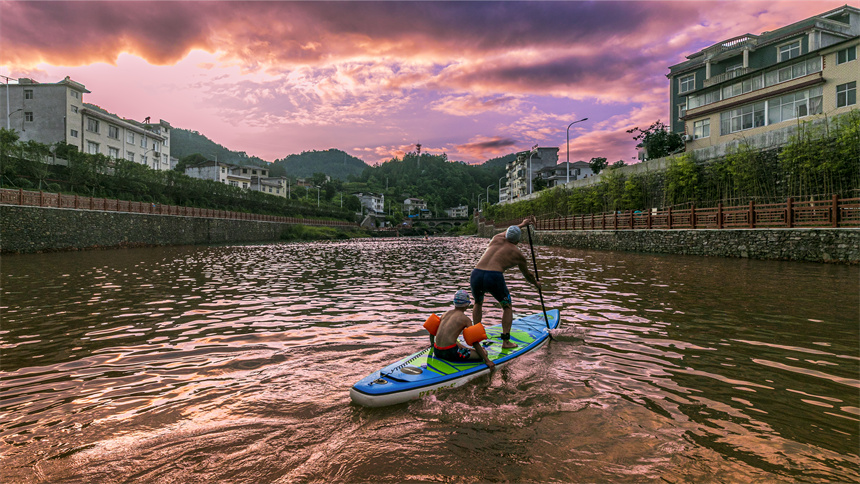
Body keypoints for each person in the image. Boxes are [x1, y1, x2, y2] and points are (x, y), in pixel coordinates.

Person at [470, 215, 540, 349]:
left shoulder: (496, 238)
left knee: (478, 303)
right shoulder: (518, 254)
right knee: (507, 307)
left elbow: (509, 231)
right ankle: (506, 342)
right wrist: (536, 285)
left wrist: (521, 224)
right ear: (518, 240)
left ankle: (476, 338)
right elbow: (528, 276)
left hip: (476, 273)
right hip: (493, 276)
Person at [429, 290, 495, 369]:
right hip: (450, 353)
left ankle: (466, 349)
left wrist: (432, 345)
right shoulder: (465, 319)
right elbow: (474, 341)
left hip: (437, 351)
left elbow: (432, 330)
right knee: (484, 352)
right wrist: (487, 360)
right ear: (466, 305)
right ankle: (481, 354)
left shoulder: (445, 314)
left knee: (454, 341)